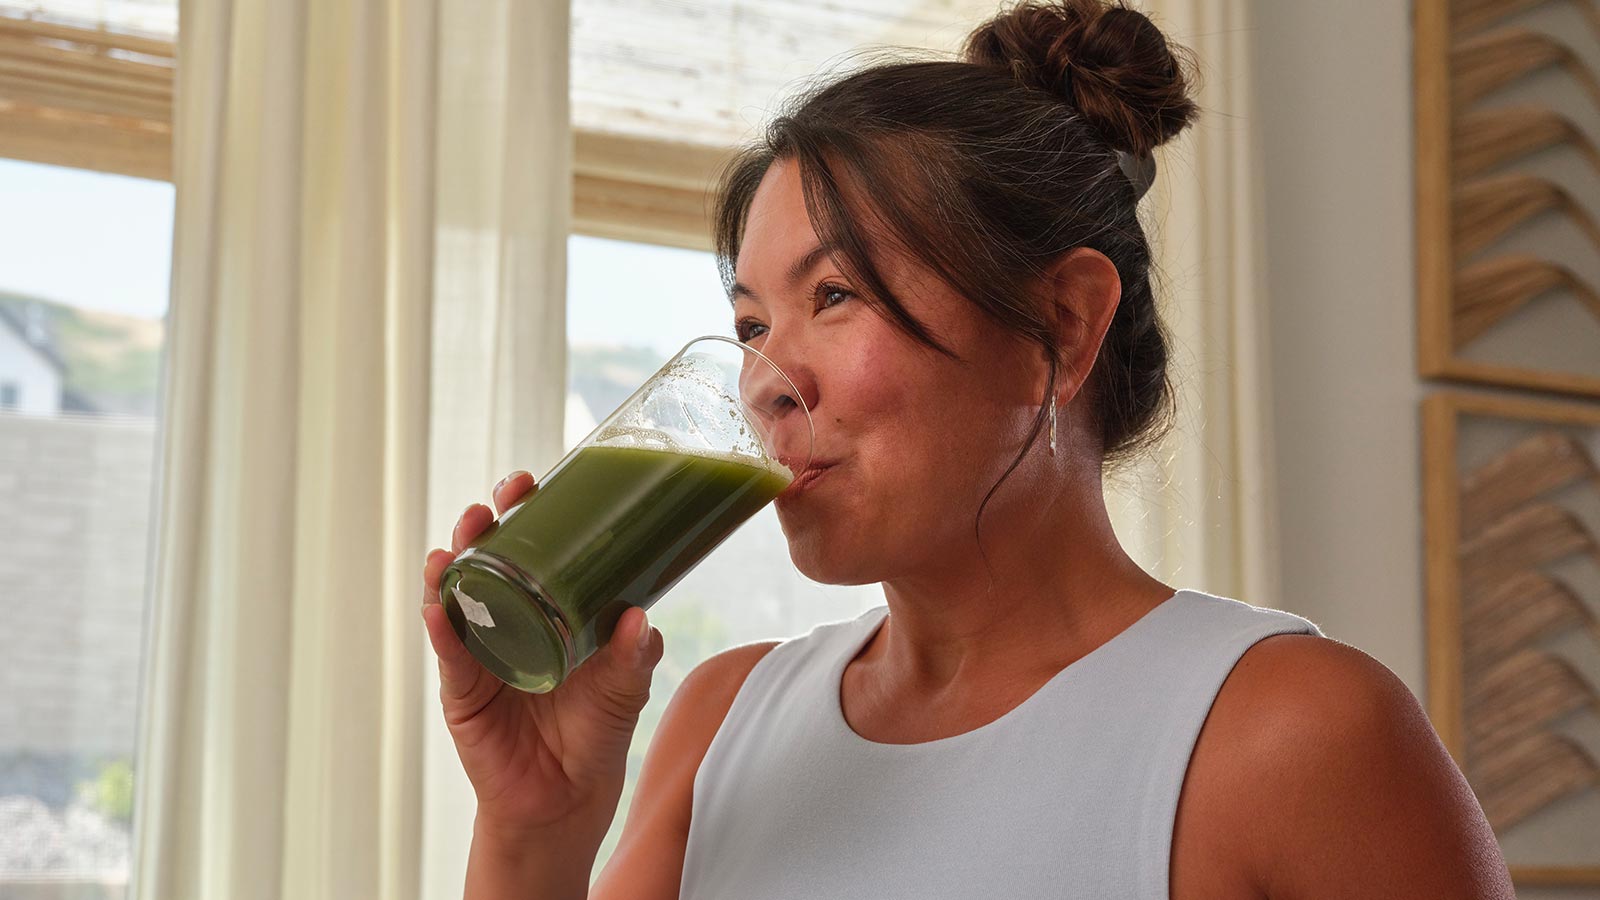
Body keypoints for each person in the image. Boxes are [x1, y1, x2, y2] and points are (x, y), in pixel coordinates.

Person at [419, 1, 1515, 897]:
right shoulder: (718, 723)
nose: (763, 377)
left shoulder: (1293, 735)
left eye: (834, 294)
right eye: (752, 323)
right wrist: (535, 830)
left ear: (1066, 325)